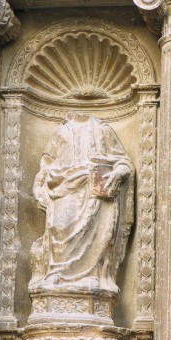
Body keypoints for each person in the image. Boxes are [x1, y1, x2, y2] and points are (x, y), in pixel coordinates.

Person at [30, 112, 133, 293]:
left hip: (94, 193)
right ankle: (56, 272)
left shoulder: (102, 129)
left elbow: (123, 161)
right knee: (59, 226)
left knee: (94, 230)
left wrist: (119, 172)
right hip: (63, 188)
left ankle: (91, 274)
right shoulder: (61, 132)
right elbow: (46, 165)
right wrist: (38, 188)